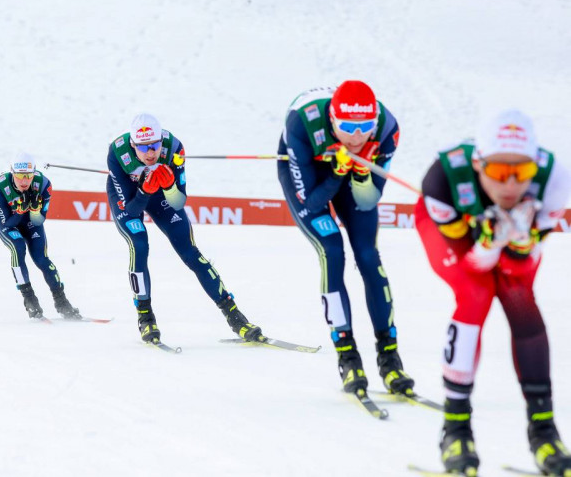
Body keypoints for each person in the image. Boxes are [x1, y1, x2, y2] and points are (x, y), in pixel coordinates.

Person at [415, 109, 571, 476]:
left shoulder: (556, 182)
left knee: (521, 300)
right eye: (500, 173)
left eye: (523, 172)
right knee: (475, 294)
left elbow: (519, 268)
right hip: (455, 232)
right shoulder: (441, 180)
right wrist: (487, 243)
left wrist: (519, 240)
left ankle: (543, 430)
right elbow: (473, 266)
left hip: (500, 235)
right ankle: (455, 427)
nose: (511, 185)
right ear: (478, 163)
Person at [277, 81, 414, 396]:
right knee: (332, 251)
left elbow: (367, 201)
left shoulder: (386, 128)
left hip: (349, 174)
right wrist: (338, 171)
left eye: (364, 127)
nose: (357, 136)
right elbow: (311, 201)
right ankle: (348, 355)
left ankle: (389, 356)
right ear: (332, 120)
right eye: (348, 127)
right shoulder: (302, 122)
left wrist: (363, 172)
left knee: (368, 256)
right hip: (310, 170)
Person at [106, 113, 264, 344]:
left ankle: (234, 316)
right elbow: (130, 210)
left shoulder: (174, 149)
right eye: (144, 147)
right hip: (131, 196)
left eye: (155, 145)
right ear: (133, 145)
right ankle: (145, 316)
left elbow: (178, 202)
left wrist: (169, 185)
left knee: (191, 253)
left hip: (160, 192)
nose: (151, 153)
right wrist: (144, 190)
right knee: (139, 244)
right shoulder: (118, 153)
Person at [0, 153, 81, 320]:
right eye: (19, 176)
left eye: (29, 176)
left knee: (42, 259)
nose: (25, 181)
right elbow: (8, 223)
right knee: (17, 247)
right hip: (9, 222)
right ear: (12, 173)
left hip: (31, 222)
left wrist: (33, 210)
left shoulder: (43, 184)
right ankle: (29, 298)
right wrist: (19, 210)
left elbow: (39, 221)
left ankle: (61, 302)